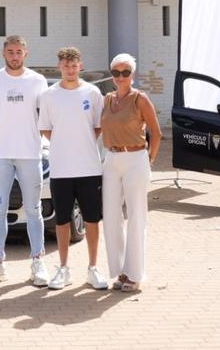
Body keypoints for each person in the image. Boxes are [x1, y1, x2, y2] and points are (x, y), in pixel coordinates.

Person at [0, 35, 51, 287]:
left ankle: (38, 261)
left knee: (33, 210)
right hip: (0, 155)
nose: (14, 56)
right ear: (3, 53)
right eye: (10, 51)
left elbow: (44, 114)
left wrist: (32, 137)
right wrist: (0, 137)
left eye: (19, 51)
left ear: (26, 53)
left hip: (30, 154)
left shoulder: (38, 81)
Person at [38, 46, 108, 290]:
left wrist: (82, 141)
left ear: (81, 66)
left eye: (74, 65)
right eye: (65, 65)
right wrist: (64, 142)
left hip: (89, 168)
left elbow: (98, 126)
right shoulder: (49, 95)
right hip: (61, 169)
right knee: (62, 221)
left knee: (91, 220)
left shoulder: (93, 92)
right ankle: (64, 269)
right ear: (60, 66)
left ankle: (93, 268)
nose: (70, 69)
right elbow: (46, 129)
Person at [100, 52, 163, 293]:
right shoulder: (107, 100)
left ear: (132, 75)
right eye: (116, 72)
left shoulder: (140, 99)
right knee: (112, 215)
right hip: (112, 158)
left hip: (136, 157)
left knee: (136, 216)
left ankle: (135, 274)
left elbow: (156, 133)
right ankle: (120, 270)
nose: (120, 77)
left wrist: (150, 160)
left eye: (125, 72)